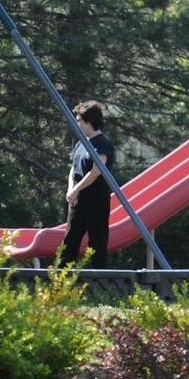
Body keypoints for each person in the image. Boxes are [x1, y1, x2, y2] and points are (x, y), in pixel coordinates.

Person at [61, 100, 114, 267]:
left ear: (89, 121)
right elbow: (74, 168)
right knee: (70, 239)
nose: (77, 124)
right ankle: (62, 276)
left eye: (79, 120)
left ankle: (99, 278)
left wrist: (76, 189)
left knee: (97, 239)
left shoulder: (103, 143)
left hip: (96, 198)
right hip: (78, 198)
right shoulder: (80, 143)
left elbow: (96, 171)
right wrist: (71, 190)